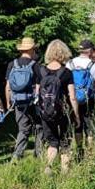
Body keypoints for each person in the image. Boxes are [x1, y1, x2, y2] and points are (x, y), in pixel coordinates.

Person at [36, 40, 78, 174]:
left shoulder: (41, 70)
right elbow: (72, 96)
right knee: (65, 142)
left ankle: (48, 166)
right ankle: (65, 173)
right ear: (64, 53)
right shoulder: (66, 72)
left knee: (53, 142)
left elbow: (37, 94)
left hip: (46, 113)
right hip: (63, 112)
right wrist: (76, 115)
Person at [7, 38, 42, 161]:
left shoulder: (12, 64)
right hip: (32, 101)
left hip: (18, 101)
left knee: (23, 129)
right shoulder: (35, 65)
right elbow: (39, 85)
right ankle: (39, 154)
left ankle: (17, 156)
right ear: (32, 49)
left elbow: (8, 86)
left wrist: (9, 102)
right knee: (38, 126)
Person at [67, 40, 95, 147]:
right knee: (90, 125)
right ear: (90, 51)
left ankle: (79, 149)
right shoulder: (92, 65)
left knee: (78, 125)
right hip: (88, 99)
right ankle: (90, 150)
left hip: (73, 99)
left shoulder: (70, 63)